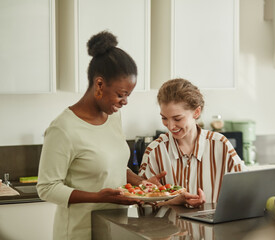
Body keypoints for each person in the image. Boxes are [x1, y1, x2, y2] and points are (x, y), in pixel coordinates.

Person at [36, 31, 159, 240]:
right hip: (78, 232)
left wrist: (140, 183)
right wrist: (98, 197)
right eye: (121, 94)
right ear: (100, 84)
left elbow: (114, 165)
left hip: (114, 229)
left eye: (128, 95)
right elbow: (47, 188)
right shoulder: (63, 129)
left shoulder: (113, 118)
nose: (125, 102)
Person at [138, 78, 247, 207]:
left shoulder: (220, 145)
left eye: (177, 118)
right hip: (168, 227)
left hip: (213, 227)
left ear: (196, 112)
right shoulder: (155, 151)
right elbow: (142, 206)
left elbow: (246, 190)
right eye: (164, 118)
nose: (171, 126)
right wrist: (172, 202)